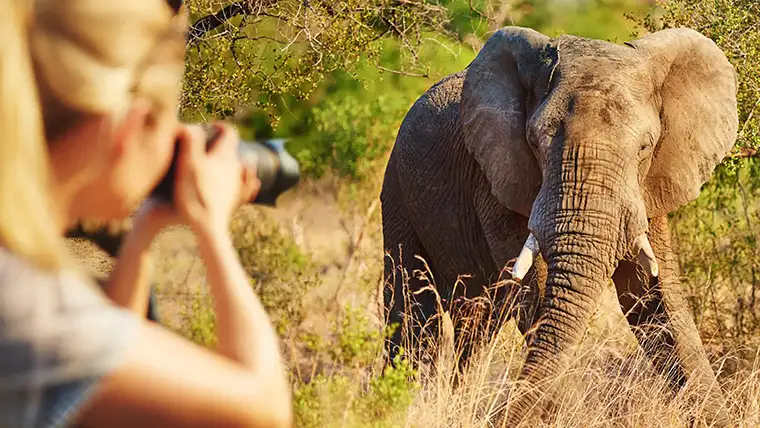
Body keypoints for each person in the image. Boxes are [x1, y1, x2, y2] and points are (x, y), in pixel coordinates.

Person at [0, 1, 293, 427]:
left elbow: (106, 365)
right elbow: (262, 409)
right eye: (167, 123)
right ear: (127, 128)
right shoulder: (28, 307)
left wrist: (142, 235)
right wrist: (211, 227)